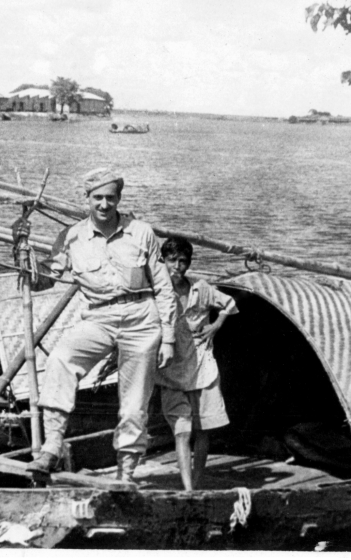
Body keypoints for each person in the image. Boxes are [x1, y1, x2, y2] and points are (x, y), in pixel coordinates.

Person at [13, 168, 177, 482]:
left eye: (110, 198)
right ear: (87, 199)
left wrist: (168, 337)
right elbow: (44, 279)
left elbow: (164, 287)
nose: (104, 204)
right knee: (61, 358)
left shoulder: (141, 233)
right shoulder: (71, 237)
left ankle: (126, 472)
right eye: (97, 198)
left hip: (142, 321)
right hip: (98, 318)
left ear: (119, 199)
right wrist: (21, 249)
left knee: (133, 404)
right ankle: (52, 445)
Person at [157, 236, 238, 490]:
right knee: (182, 430)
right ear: (162, 261)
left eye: (183, 261)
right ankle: (188, 489)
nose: (177, 267)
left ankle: (198, 482)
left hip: (203, 367)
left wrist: (215, 325)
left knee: (203, 429)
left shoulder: (200, 288)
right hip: (170, 370)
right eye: (172, 261)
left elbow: (230, 303)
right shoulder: (156, 291)